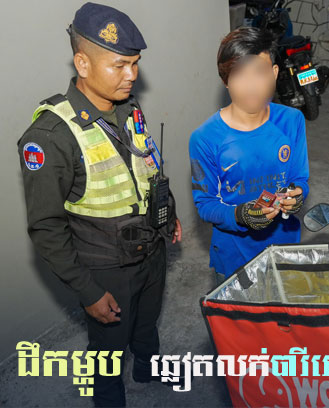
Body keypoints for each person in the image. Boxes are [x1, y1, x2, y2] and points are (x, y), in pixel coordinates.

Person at [17, 3, 182, 406]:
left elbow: (148, 166)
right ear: (83, 64)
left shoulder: (128, 108)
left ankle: (148, 367)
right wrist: (88, 291)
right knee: (108, 348)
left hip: (151, 249)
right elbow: (46, 227)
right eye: (120, 65)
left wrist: (169, 213)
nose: (132, 75)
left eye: (135, 64)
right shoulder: (50, 136)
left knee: (146, 323)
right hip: (107, 267)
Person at [189, 27, 309, 284]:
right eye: (239, 74)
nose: (251, 85)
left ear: (274, 73)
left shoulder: (292, 121)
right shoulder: (205, 138)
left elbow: (300, 179)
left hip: (285, 250)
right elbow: (206, 205)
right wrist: (239, 215)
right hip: (234, 258)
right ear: (225, 80)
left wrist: (297, 196)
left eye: (260, 72)